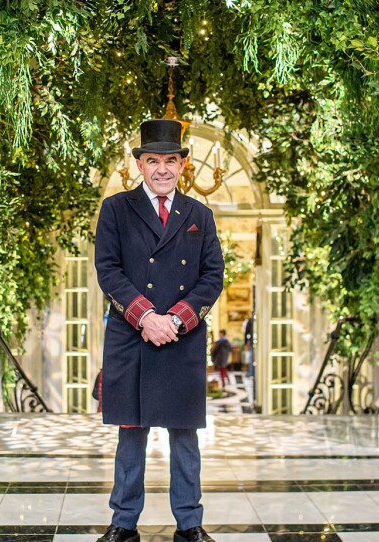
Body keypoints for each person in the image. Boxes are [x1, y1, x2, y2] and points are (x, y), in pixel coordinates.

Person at [95, 119, 224, 542]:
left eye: (171, 160)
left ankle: (190, 525)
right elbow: (108, 270)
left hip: (180, 339)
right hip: (131, 337)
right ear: (140, 165)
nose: (163, 169)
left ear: (182, 165)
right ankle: (123, 523)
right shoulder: (115, 209)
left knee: (185, 438)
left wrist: (175, 320)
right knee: (130, 436)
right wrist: (146, 317)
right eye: (154, 161)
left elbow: (212, 277)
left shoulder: (199, 215)